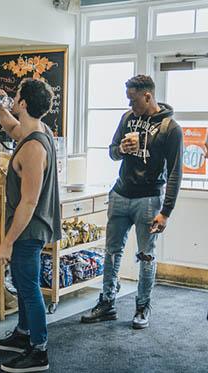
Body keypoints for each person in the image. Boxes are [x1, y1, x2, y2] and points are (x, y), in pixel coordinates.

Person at [81, 75, 183, 329]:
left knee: (146, 255)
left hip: (149, 199)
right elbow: (112, 151)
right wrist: (122, 150)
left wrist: (166, 211)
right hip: (120, 193)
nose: (130, 105)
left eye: (134, 100)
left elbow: (175, 172)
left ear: (147, 96)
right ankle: (107, 303)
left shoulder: (170, 128)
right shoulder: (127, 119)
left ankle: (142, 307)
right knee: (111, 252)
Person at [0, 78, 62, 373]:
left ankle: (39, 350)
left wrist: (7, 241)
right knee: (22, 283)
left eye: (16, 96)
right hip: (29, 226)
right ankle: (23, 333)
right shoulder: (36, 131)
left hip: (29, 228)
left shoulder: (34, 148)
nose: (13, 99)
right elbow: (10, 127)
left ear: (23, 104)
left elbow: (29, 202)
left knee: (29, 288)